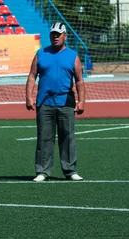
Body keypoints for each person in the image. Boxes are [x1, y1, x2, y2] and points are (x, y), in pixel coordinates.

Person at [25, 22, 86, 182]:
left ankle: (70, 170)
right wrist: (29, 97)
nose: (55, 36)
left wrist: (82, 101)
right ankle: (42, 171)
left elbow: (79, 80)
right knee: (44, 138)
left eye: (59, 34)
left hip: (66, 102)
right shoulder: (41, 54)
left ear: (65, 36)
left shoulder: (73, 56)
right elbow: (32, 76)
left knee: (67, 137)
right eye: (53, 34)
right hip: (44, 103)